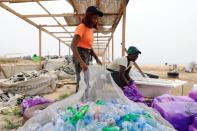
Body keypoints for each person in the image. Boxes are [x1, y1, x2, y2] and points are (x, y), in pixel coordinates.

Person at [71, 6, 103, 92]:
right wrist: (81, 62)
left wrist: (97, 58)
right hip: (80, 54)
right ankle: (79, 101)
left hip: (86, 54)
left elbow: (89, 46)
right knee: (82, 79)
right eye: (94, 18)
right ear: (88, 17)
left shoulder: (90, 30)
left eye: (97, 18)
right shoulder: (81, 27)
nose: (96, 20)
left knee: (87, 78)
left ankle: (85, 98)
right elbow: (73, 46)